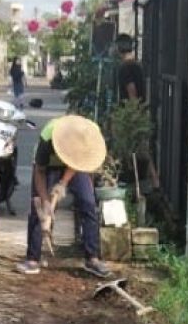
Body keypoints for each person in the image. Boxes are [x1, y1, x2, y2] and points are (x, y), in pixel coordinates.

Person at [18, 113, 112, 280]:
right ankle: (33, 258)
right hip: (47, 168)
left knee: (88, 203)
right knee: (38, 208)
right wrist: (46, 201)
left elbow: (75, 163)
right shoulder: (48, 137)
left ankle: (92, 258)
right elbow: (39, 172)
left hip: (74, 166)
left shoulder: (88, 134)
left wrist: (62, 184)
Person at [114, 33, 159, 192]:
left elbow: (131, 89)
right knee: (140, 148)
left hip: (132, 112)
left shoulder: (125, 68)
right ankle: (151, 181)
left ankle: (152, 181)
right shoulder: (137, 65)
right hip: (140, 108)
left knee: (134, 146)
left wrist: (132, 112)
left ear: (119, 48)